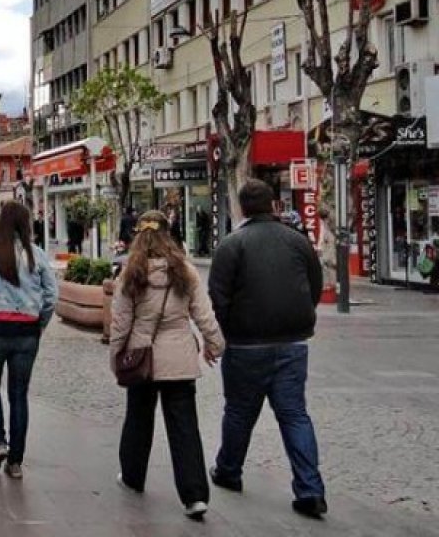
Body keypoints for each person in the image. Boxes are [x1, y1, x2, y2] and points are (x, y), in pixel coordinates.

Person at [208, 179, 327, 520]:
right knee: (294, 414)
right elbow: (314, 285)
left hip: (246, 344)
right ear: (274, 205)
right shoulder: (297, 240)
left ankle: (229, 470)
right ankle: (310, 489)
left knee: (239, 411)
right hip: (292, 343)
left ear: (243, 208)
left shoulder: (233, 244)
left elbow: (219, 296)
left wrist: (231, 328)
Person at [111, 210, 224, 521]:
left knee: (138, 418)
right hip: (179, 358)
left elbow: (120, 323)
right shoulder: (184, 271)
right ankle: (195, 496)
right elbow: (204, 314)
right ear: (168, 234)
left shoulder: (130, 272)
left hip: (141, 355)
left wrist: (116, 358)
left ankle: (133, 476)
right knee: (185, 426)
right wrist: (216, 345)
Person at [0, 201, 58, 479]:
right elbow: (52, 295)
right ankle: (16, 461)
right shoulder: (38, 255)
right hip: (27, 333)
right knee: (19, 394)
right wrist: (39, 323)